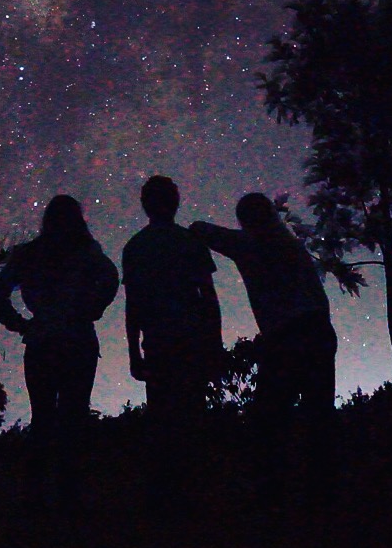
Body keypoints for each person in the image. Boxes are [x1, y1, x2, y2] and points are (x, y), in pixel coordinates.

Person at [190, 192, 338, 500]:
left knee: (271, 418)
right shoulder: (290, 245)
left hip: (286, 335)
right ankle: (321, 487)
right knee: (318, 414)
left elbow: (202, 230)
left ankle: (272, 489)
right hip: (318, 330)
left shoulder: (250, 245)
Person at [0, 195, 119, 510]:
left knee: (43, 418)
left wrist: (19, 324)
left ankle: (35, 494)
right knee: (73, 417)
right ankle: (68, 494)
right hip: (77, 338)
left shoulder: (29, 254)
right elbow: (111, 278)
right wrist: (95, 307)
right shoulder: (87, 252)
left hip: (42, 341)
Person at [122, 175, 222, 509]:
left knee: (162, 416)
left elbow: (133, 304)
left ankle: (167, 493)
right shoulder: (189, 242)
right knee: (193, 414)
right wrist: (215, 342)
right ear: (175, 202)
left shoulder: (135, 247)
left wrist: (134, 351)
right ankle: (195, 491)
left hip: (159, 342)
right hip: (191, 339)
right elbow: (208, 296)